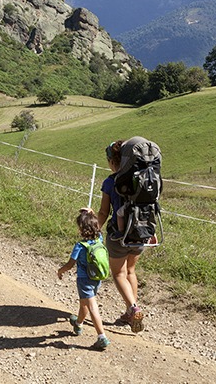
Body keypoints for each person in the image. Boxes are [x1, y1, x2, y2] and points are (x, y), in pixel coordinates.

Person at [95, 138, 150, 333]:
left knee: (118, 273)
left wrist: (94, 230)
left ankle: (134, 308)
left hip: (119, 236)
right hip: (141, 234)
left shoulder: (110, 182)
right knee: (130, 272)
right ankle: (129, 312)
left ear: (112, 161)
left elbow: (103, 212)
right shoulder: (143, 179)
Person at [57, 208, 111, 350]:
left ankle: (102, 337)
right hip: (96, 278)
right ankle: (78, 324)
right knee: (84, 303)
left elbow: (70, 264)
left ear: (81, 229)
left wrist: (61, 271)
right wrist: (91, 213)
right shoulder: (99, 239)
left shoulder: (80, 246)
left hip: (84, 279)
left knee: (92, 305)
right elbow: (98, 227)